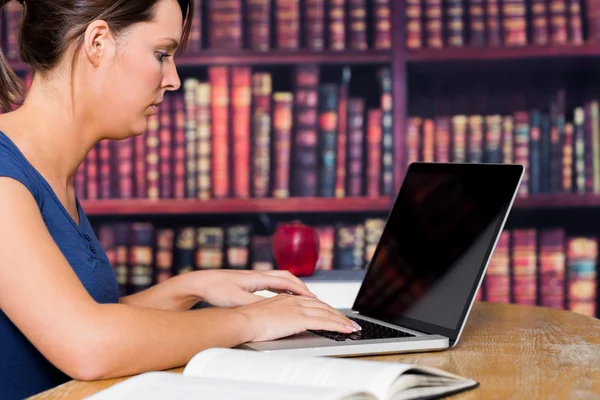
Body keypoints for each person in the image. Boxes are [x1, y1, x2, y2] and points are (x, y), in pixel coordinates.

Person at [0, 0, 361, 398]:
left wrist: (191, 286)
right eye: (161, 54)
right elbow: (88, 343)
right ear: (98, 42)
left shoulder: (44, 169)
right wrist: (251, 321)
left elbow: (76, 318)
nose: (172, 79)